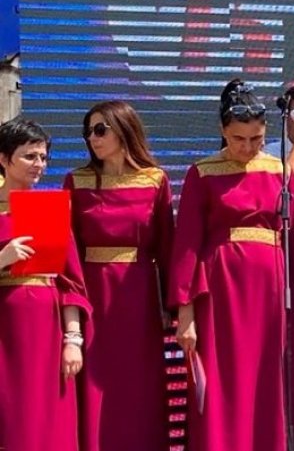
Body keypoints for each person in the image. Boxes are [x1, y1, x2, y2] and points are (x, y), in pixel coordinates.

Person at [169, 79, 294, 451]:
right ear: (222, 130)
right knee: (224, 377)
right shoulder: (203, 172)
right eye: (238, 139)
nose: (247, 147)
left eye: (256, 138)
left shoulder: (279, 171)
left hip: (272, 289)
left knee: (268, 377)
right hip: (221, 288)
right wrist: (185, 312)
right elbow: (186, 246)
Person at [64, 101, 173, 451]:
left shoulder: (155, 179)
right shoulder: (76, 180)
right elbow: (68, 250)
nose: (92, 138)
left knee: (137, 385)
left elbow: (167, 248)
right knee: (94, 383)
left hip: (138, 295)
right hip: (92, 294)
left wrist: (171, 306)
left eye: (100, 130)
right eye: (88, 131)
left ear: (124, 129)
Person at [0, 118, 92, 451]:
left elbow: (71, 283)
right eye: (29, 156)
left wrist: (72, 340)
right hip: (5, 332)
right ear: (3, 158)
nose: (39, 164)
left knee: (48, 421)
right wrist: (2, 258)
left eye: (43, 157)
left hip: (46, 331)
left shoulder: (50, 208)